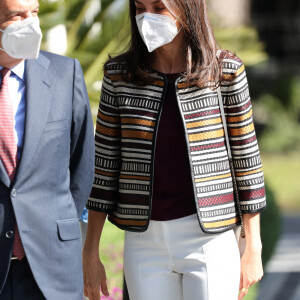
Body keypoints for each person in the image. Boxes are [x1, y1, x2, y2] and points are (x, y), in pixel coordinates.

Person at [82, 0, 266, 299]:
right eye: (140, 8)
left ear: (187, 9)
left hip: (209, 238)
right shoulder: (119, 76)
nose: (147, 17)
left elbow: (247, 162)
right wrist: (90, 252)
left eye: (159, 8)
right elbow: (104, 168)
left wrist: (252, 247)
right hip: (144, 240)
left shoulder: (225, 73)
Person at [0, 0, 95, 299]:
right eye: (17, 15)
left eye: (35, 13)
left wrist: (55, 220)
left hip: (52, 265)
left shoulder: (65, 73)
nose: (30, 23)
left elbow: (82, 163)